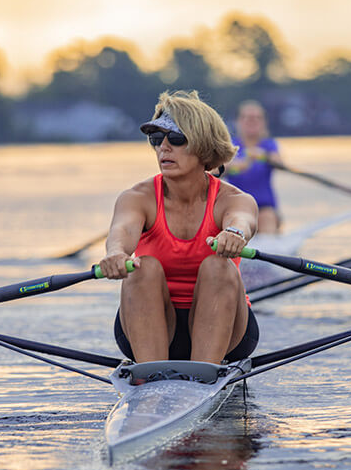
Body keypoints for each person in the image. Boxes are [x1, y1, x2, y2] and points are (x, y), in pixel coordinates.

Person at [99, 90, 260, 364]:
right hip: (151, 324)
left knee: (219, 265)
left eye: (175, 138)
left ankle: (204, 371)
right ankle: (151, 373)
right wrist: (115, 253)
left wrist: (234, 234)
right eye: (156, 139)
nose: (163, 147)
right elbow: (121, 232)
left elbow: (242, 221)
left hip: (226, 328)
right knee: (141, 267)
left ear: (204, 146)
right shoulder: (137, 198)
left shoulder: (234, 199)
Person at [224, 100, 285, 234]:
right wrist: (238, 165)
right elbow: (216, 170)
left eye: (257, 118)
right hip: (236, 208)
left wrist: (264, 157)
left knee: (266, 217)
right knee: (239, 220)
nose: (252, 121)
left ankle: (268, 244)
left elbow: (280, 164)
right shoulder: (229, 146)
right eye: (247, 118)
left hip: (264, 208)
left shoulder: (269, 145)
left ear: (264, 123)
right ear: (238, 121)